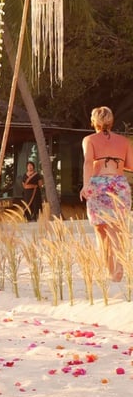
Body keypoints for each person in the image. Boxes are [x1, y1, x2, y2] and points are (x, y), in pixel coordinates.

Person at [79, 106, 133, 282]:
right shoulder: (124, 141)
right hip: (119, 185)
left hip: (98, 185)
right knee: (116, 229)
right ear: (111, 121)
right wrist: (116, 160)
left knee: (100, 230)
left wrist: (86, 185)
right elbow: (131, 165)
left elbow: (88, 162)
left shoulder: (89, 140)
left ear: (94, 121)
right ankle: (118, 270)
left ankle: (110, 271)